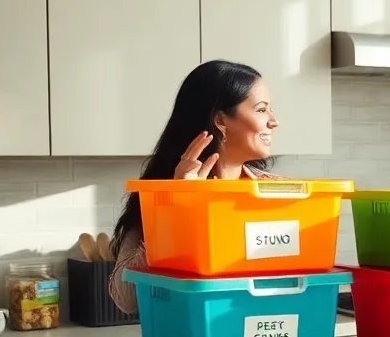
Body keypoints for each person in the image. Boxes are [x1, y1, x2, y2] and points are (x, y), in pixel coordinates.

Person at [109, 60, 281, 313]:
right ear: (220, 120)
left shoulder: (275, 193)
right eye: (261, 110)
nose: (274, 121)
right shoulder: (160, 197)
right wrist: (177, 206)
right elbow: (127, 300)